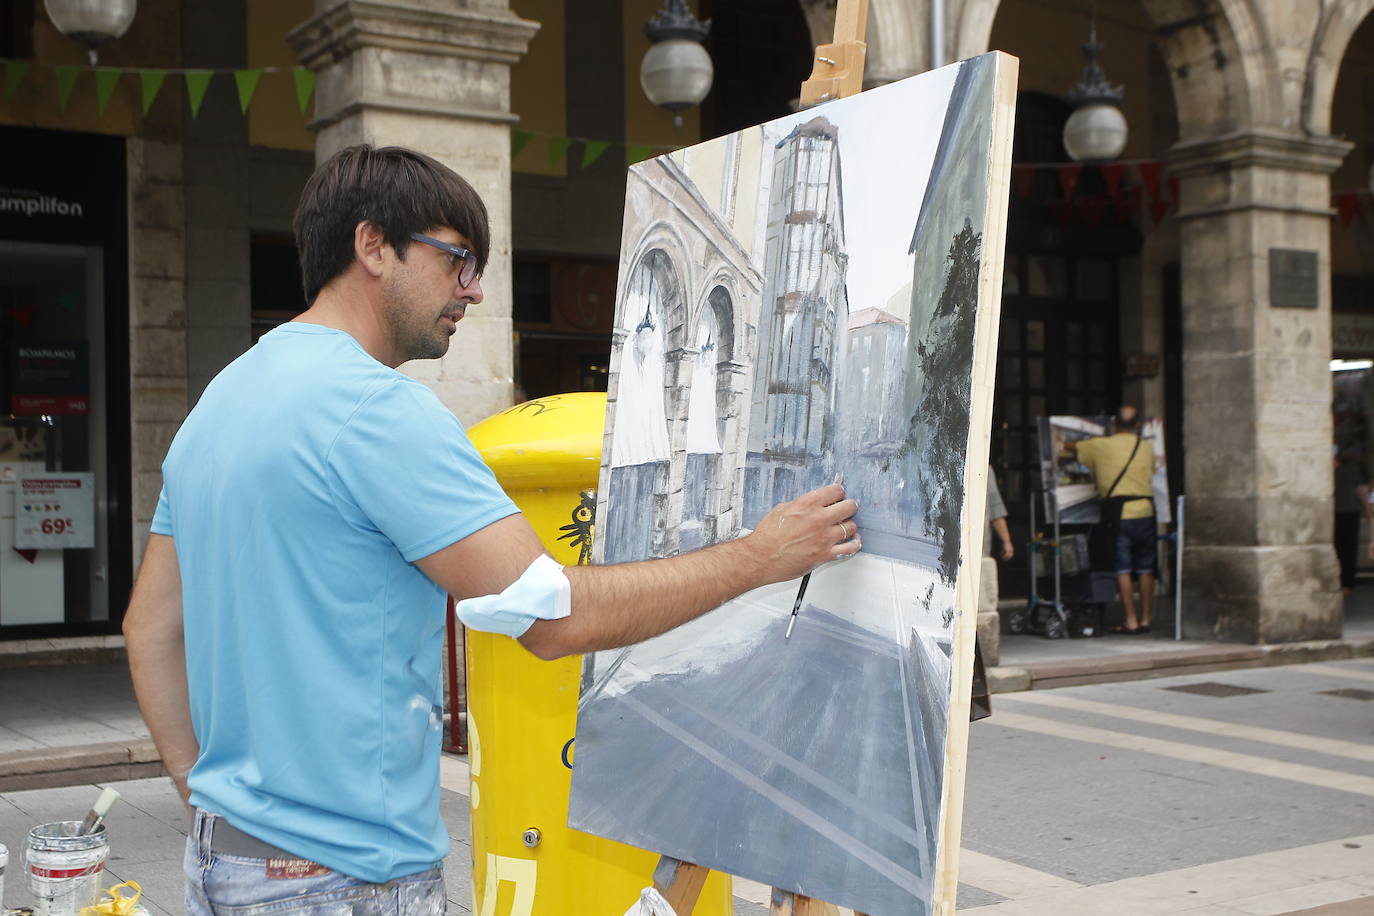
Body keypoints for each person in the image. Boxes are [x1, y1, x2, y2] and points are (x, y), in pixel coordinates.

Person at [121, 145, 860, 915]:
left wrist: (208, 803)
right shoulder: (378, 409)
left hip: (222, 866)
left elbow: (148, 629)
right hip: (344, 881)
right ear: (373, 246)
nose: (473, 291)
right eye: (457, 259)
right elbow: (551, 615)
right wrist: (758, 556)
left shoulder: (219, 403)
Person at [1068, 406, 1156, 634]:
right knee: (1147, 568)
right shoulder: (1146, 447)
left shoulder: (1101, 445)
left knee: (1123, 567)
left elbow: (1069, 447)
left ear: (1114, 423)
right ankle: (1146, 618)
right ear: (1138, 425)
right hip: (1145, 510)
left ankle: (1131, 619)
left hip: (1119, 513)